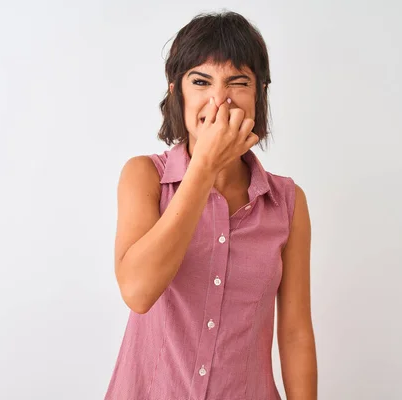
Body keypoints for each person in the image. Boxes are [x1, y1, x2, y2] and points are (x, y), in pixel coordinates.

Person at [105, 10, 317, 400]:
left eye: (238, 82)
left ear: (259, 96)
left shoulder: (288, 202)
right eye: (200, 81)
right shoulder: (144, 177)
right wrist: (203, 167)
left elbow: (295, 332)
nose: (219, 99)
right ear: (176, 92)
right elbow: (137, 291)